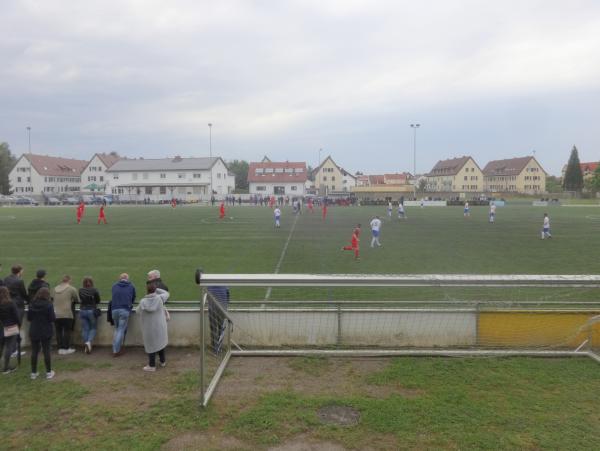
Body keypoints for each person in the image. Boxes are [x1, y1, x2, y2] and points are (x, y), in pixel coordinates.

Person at [136, 282, 170, 372]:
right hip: (159, 326)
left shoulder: (143, 301)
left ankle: (152, 365)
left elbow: (137, 311)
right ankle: (163, 361)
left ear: (146, 290)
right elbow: (167, 293)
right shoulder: (160, 298)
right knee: (160, 343)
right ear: (155, 290)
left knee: (151, 345)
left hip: (148, 328)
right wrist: (157, 289)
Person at [28, 287, 56, 380]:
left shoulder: (32, 304)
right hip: (45, 330)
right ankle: (48, 372)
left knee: (34, 351)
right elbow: (52, 318)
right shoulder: (49, 305)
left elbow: (29, 318)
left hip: (34, 329)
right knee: (46, 351)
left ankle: (33, 372)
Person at [4, 264, 28, 358]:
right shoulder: (19, 281)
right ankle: (13, 350)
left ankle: (10, 348)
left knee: (9, 326)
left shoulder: (6, 279)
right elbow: (23, 293)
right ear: (19, 271)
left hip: (7, 304)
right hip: (18, 305)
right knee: (16, 327)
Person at [52, 275, 79, 355]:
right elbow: (77, 299)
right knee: (67, 331)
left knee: (58, 331)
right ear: (69, 281)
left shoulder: (54, 289)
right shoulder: (71, 289)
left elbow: (52, 298)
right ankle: (66, 348)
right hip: (67, 313)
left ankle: (60, 348)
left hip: (56, 313)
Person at [111, 273, 136, 357]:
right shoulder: (131, 286)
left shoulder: (114, 286)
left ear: (120, 278)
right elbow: (133, 298)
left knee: (117, 329)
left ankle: (115, 348)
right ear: (127, 279)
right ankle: (116, 350)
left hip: (114, 310)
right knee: (120, 330)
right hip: (124, 310)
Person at [0, 287, 20, 374]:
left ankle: (5, 367)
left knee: (1, 347)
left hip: (2, 326)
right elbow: (16, 316)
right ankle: (6, 367)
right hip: (10, 326)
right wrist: (18, 324)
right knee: (8, 347)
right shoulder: (11, 303)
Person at [79, 276, 101, 354]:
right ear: (91, 283)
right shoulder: (94, 290)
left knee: (85, 329)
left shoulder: (80, 290)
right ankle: (88, 342)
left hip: (82, 310)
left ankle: (87, 345)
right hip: (91, 310)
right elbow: (98, 300)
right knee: (93, 328)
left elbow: (80, 299)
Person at [207, 286, 230, 354]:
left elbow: (208, 297)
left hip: (212, 308)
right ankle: (219, 348)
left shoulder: (209, 286)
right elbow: (228, 297)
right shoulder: (225, 286)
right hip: (222, 309)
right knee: (221, 328)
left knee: (213, 328)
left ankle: (214, 348)